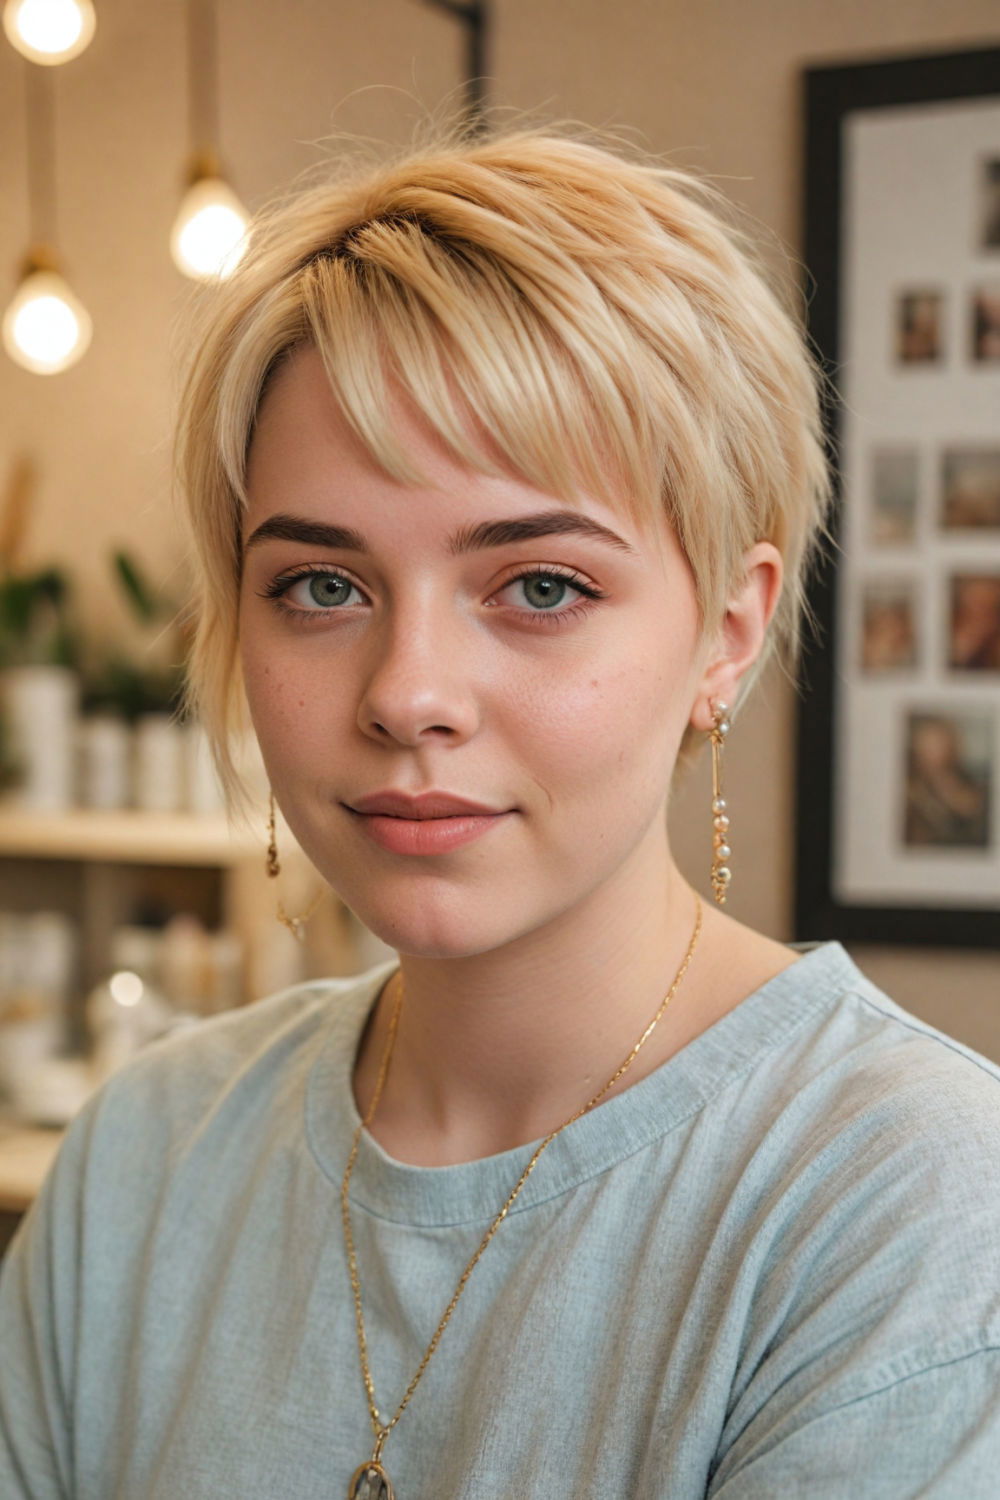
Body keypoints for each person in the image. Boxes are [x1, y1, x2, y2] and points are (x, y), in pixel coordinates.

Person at [3, 125, 1000, 1500]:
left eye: (539, 587)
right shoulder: (146, 1160)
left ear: (726, 631)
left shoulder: (908, 1201)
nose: (410, 695)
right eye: (321, 587)